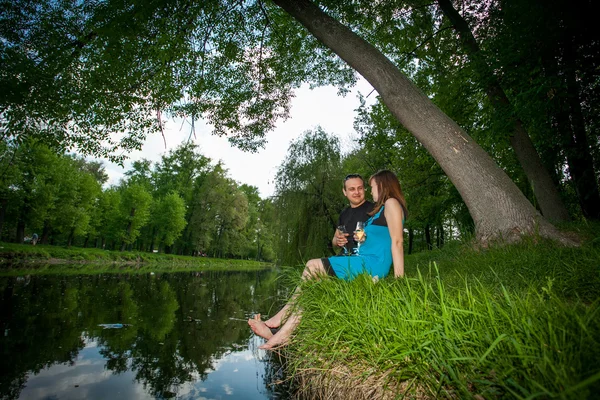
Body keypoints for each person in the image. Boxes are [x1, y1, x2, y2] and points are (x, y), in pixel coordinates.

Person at [249, 170, 407, 350]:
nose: (370, 191)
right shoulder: (379, 210)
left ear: (382, 185)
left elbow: (397, 241)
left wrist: (399, 280)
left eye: (370, 187)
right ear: (344, 191)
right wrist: (354, 239)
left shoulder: (391, 203)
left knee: (313, 265)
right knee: (313, 284)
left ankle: (280, 319)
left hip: (372, 263)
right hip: (363, 260)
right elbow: (375, 238)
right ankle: (282, 334)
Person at [332, 174, 374, 254]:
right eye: (352, 189)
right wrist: (338, 241)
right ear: (345, 192)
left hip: (365, 257)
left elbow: (384, 237)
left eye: (360, 188)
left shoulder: (375, 209)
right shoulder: (344, 213)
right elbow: (334, 239)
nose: (357, 192)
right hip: (345, 256)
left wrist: (367, 238)